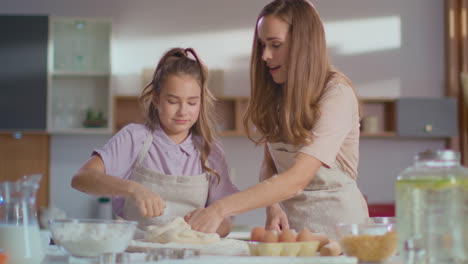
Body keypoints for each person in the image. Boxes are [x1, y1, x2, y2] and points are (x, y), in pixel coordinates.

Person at [185, 0, 369, 238]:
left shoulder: (336, 94)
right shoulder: (279, 92)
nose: (265, 55)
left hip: (340, 233)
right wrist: (273, 207)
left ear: (304, 44)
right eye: (262, 45)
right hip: (294, 235)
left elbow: (296, 179)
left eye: (275, 45)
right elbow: (271, 164)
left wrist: (220, 208)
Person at [71, 47, 239, 237]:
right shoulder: (134, 138)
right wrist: (133, 189)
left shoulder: (210, 151)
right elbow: (81, 178)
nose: (183, 111)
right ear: (156, 99)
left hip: (190, 255)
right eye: (173, 101)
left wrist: (212, 221)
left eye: (192, 102)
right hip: (139, 254)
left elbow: (226, 223)